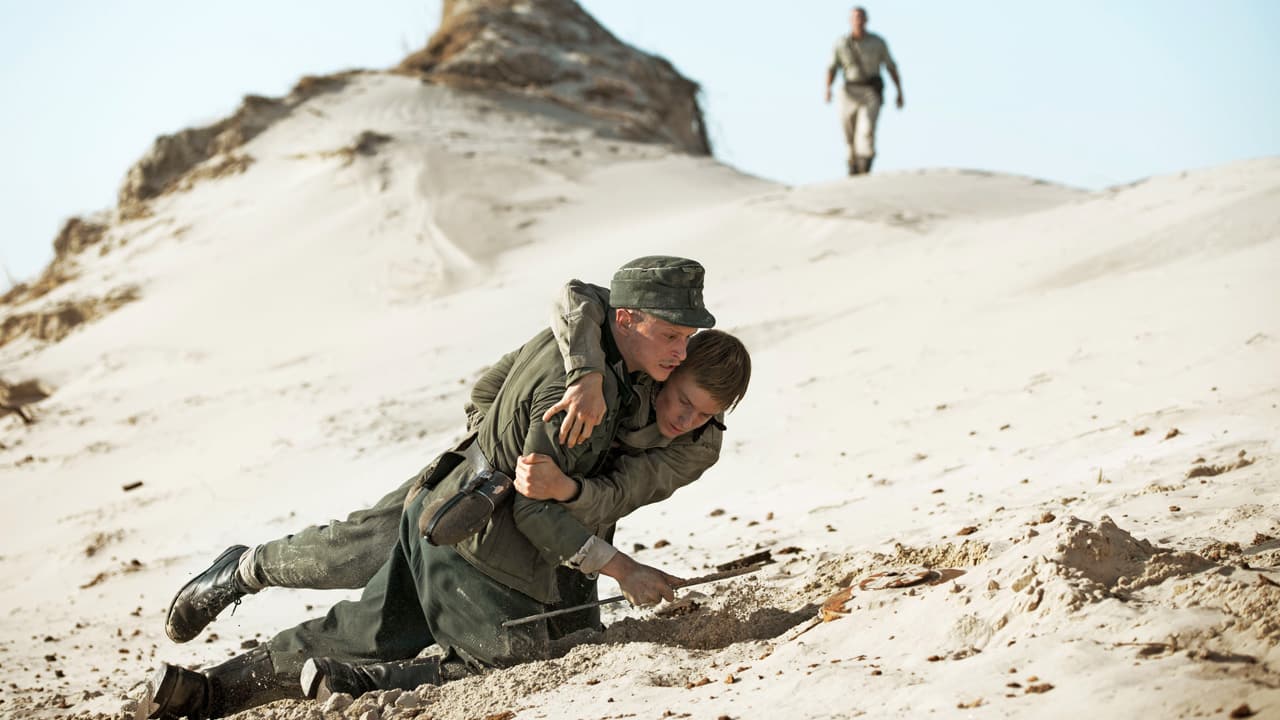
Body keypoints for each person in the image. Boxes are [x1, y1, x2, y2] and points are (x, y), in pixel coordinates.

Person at [139, 257, 752, 719]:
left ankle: (211, 692)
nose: (681, 351)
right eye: (673, 336)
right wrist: (493, 454)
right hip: (482, 521)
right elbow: (505, 399)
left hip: (516, 518)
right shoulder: (576, 388)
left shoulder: (634, 383)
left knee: (374, 625)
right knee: (370, 563)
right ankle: (250, 578)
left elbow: (610, 487)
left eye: (686, 341)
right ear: (630, 320)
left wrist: (556, 482)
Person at [823, 5, 904, 176]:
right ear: (850, 21)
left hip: (870, 91)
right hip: (848, 91)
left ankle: (864, 166)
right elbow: (832, 67)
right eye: (855, 18)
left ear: (866, 20)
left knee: (866, 130)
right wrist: (827, 89)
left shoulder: (877, 42)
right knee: (849, 132)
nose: (858, 21)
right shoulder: (841, 43)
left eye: (861, 17)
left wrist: (899, 91)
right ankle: (852, 166)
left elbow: (891, 67)